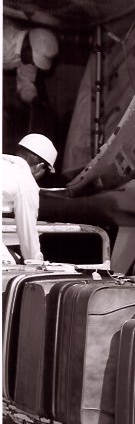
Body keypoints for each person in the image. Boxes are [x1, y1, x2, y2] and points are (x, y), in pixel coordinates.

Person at [2, 133, 57, 263]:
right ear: (40, 166)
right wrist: (36, 263)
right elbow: (27, 232)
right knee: (9, 263)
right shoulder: (25, 180)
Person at [3, 18, 59, 105]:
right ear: (27, 47)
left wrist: (34, 101)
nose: (33, 64)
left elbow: (25, 84)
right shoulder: (5, 39)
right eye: (34, 60)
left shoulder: (27, 58)